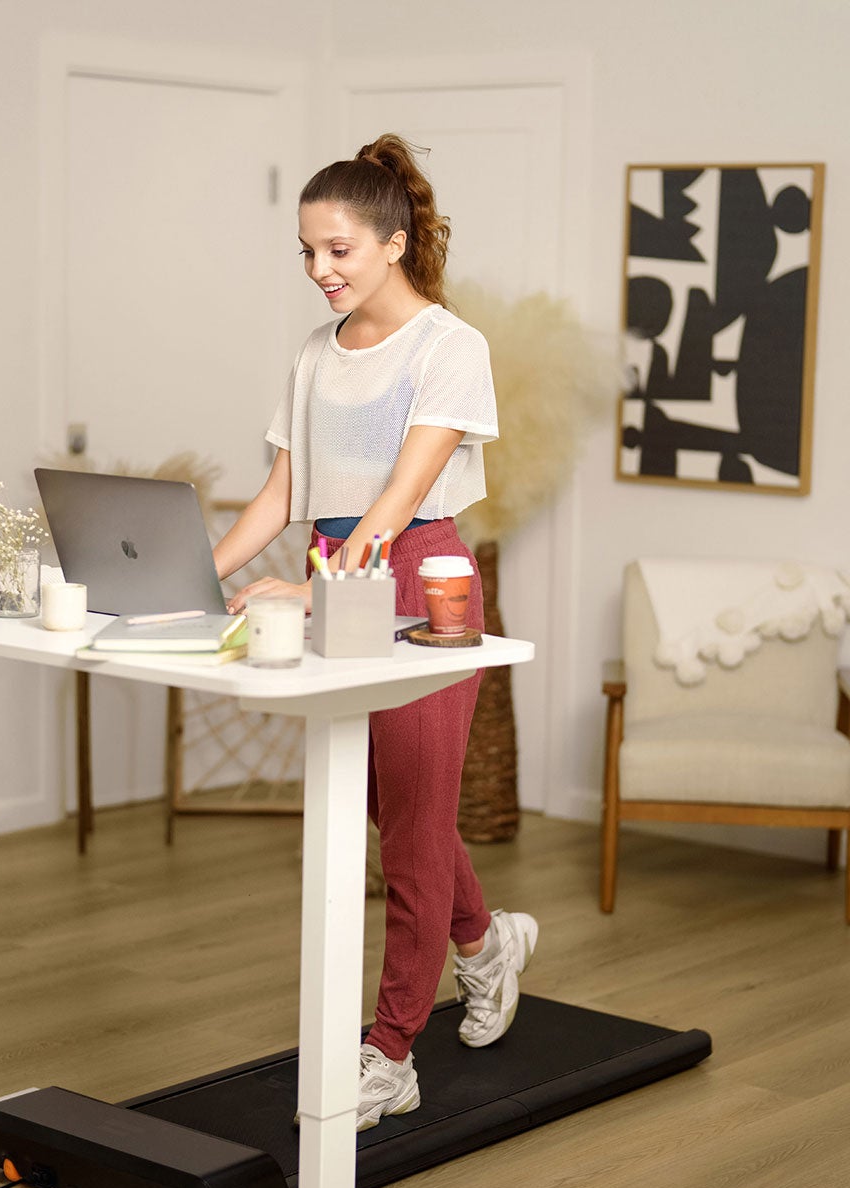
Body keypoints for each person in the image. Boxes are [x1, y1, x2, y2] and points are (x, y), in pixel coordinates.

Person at [213, 134, 538, 1131]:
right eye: (307, 252)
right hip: (333, 572)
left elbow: (397, 500)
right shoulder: (316, 353)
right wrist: (197, 576)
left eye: (340, 250)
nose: (321, 271)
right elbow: (281, 493)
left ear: (395, 243)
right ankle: (485, 943)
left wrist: (315, 593)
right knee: (394, 809)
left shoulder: (450, 346)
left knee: (408, 828)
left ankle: (391, 1050)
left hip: (420, 587)